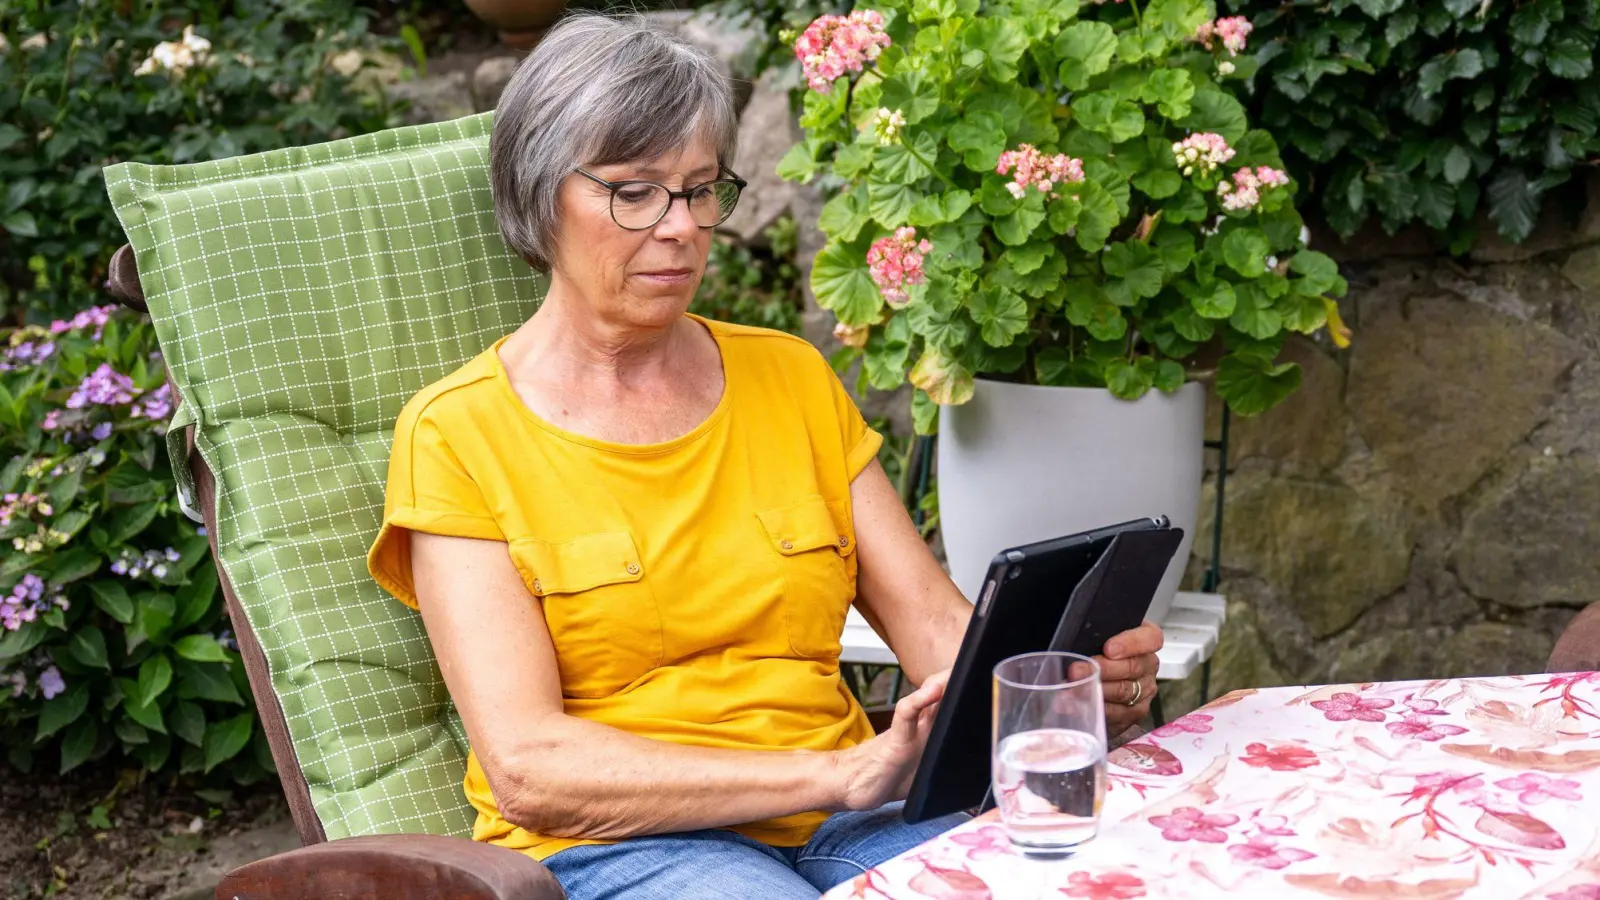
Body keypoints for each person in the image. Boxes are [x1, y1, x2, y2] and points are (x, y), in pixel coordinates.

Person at [365, 13, 1163, 899]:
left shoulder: (788, 377)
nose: (681, 228)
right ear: (538, 193)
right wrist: (838, 774)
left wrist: (1056, 687)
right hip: (624, 848)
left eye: (702, 189)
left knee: (1106, 872)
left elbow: (942, 640)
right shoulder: (456, 434)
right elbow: (530, 766)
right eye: (635, 191)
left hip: (852, 821)